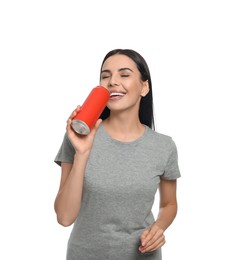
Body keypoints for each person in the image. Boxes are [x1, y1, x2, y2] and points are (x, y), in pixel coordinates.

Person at [54, 49, 181, 260]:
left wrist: (159, 228)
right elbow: (65, 217)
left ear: (144, 87)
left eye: (124, 74)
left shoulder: (163, 146)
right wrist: (82, 154)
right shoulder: (77, 138)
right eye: (105, 76)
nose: (112, 81)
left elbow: (169, 204)